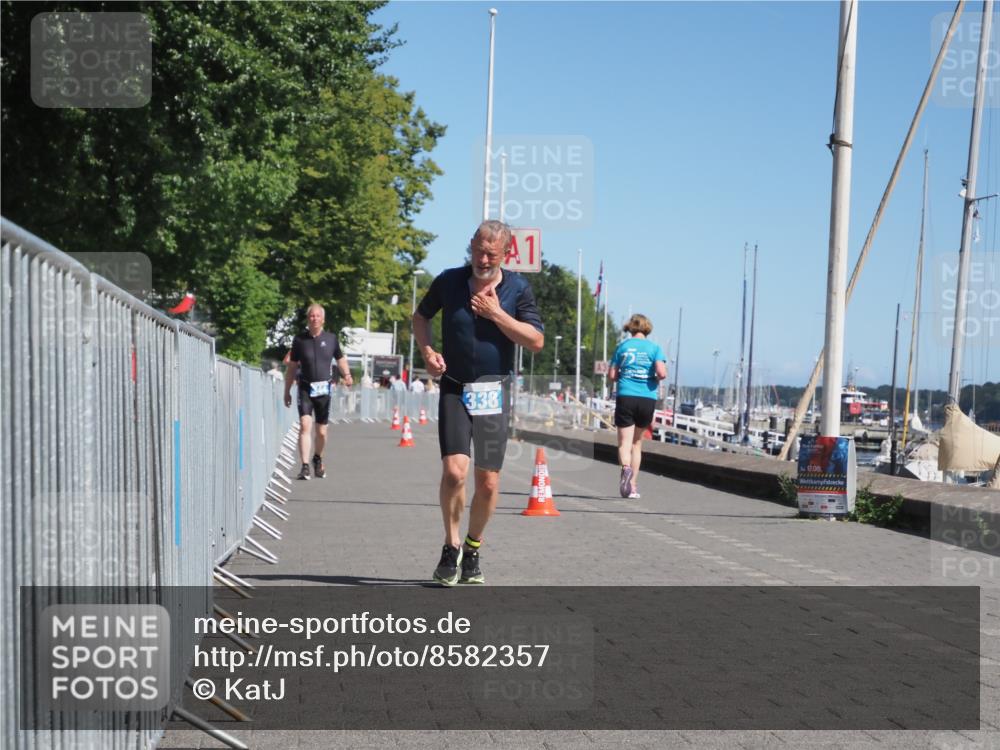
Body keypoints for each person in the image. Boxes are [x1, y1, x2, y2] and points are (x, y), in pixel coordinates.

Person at [413, 220, 544, 586]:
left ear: (506, 254)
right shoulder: (449, 281)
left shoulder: (517, 288)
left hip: (492, 392)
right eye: (478, 251)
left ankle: (472, 547)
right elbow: (420, 317)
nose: (483, 260)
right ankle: (451, 544)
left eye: (491, 254)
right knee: (454, 473)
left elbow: (536, 341)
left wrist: (496, 314)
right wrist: (428, 352)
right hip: (454, 387)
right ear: (471, 244)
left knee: (487, 482)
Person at [283, 304, 353, 480]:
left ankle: (317, 458)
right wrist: (287, 391)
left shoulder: (331, 339)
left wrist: (347, 375)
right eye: (311, 316)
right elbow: (292, 367)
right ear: (308, 319)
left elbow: (340, 359)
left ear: (323, 319)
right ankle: (305, 466)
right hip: (305, 388)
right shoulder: (299, 340)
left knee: (321, 431)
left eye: (317, 316)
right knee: (305, 424)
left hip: (323, 390)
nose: (314, 319)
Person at [608, 314, 667, 499]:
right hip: (647, 398)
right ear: (647, 328)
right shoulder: (655, 348)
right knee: (637, 443)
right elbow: (662, 373)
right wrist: (651, 377)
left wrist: (625, 375)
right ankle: (632, 486)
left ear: (631, 328)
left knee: (624, 444)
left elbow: (612, 375)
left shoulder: (622, 347)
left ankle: (625, 468)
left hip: (626, 396)